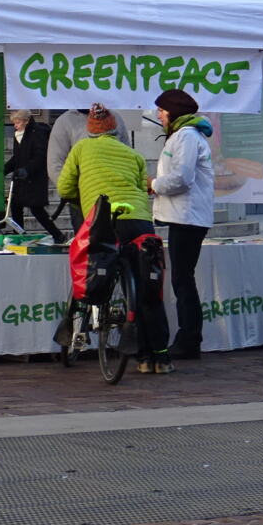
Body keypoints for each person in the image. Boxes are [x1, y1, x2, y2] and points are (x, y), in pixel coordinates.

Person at [57, 104, 172, 373]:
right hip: (140, 223)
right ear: (115, 129)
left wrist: (81, 197)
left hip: (104, 222)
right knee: (147, 291)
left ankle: (127, 345)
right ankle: (159, 358)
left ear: (90, 129)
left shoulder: (81, 149)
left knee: (98, 274)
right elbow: (141, 187)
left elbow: (63, 187)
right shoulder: (134, 155)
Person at [149, 88, 215, 360]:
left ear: (173, 111)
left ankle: (189, 338)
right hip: (184, 216)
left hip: (188, 217)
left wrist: (153, 184)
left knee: (183, 279)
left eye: (161, 110)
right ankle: (189, 337)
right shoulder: (183, 135)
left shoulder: (186, 136)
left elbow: (182, 178)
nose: (158, 115)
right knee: (182, 278)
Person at [47, 104, 131, 229]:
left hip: (116, 195)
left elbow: (127, 155)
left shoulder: (115, 117)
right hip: (81, 198)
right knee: (87, 239)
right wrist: (73, 193)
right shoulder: (65, 122)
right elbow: (55, 163)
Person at [3, 108, 66, 242]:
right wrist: (4, 170)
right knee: (15, 206)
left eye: (17, 122)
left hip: (34, 179)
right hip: (21, 179)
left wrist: (27, 170)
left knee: (36, 209)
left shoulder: (37, 133)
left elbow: (40, 156)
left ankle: (58, 235)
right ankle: (19, 234)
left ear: (26, 121)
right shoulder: (18, 135)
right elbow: (16, 157)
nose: (15, 126)